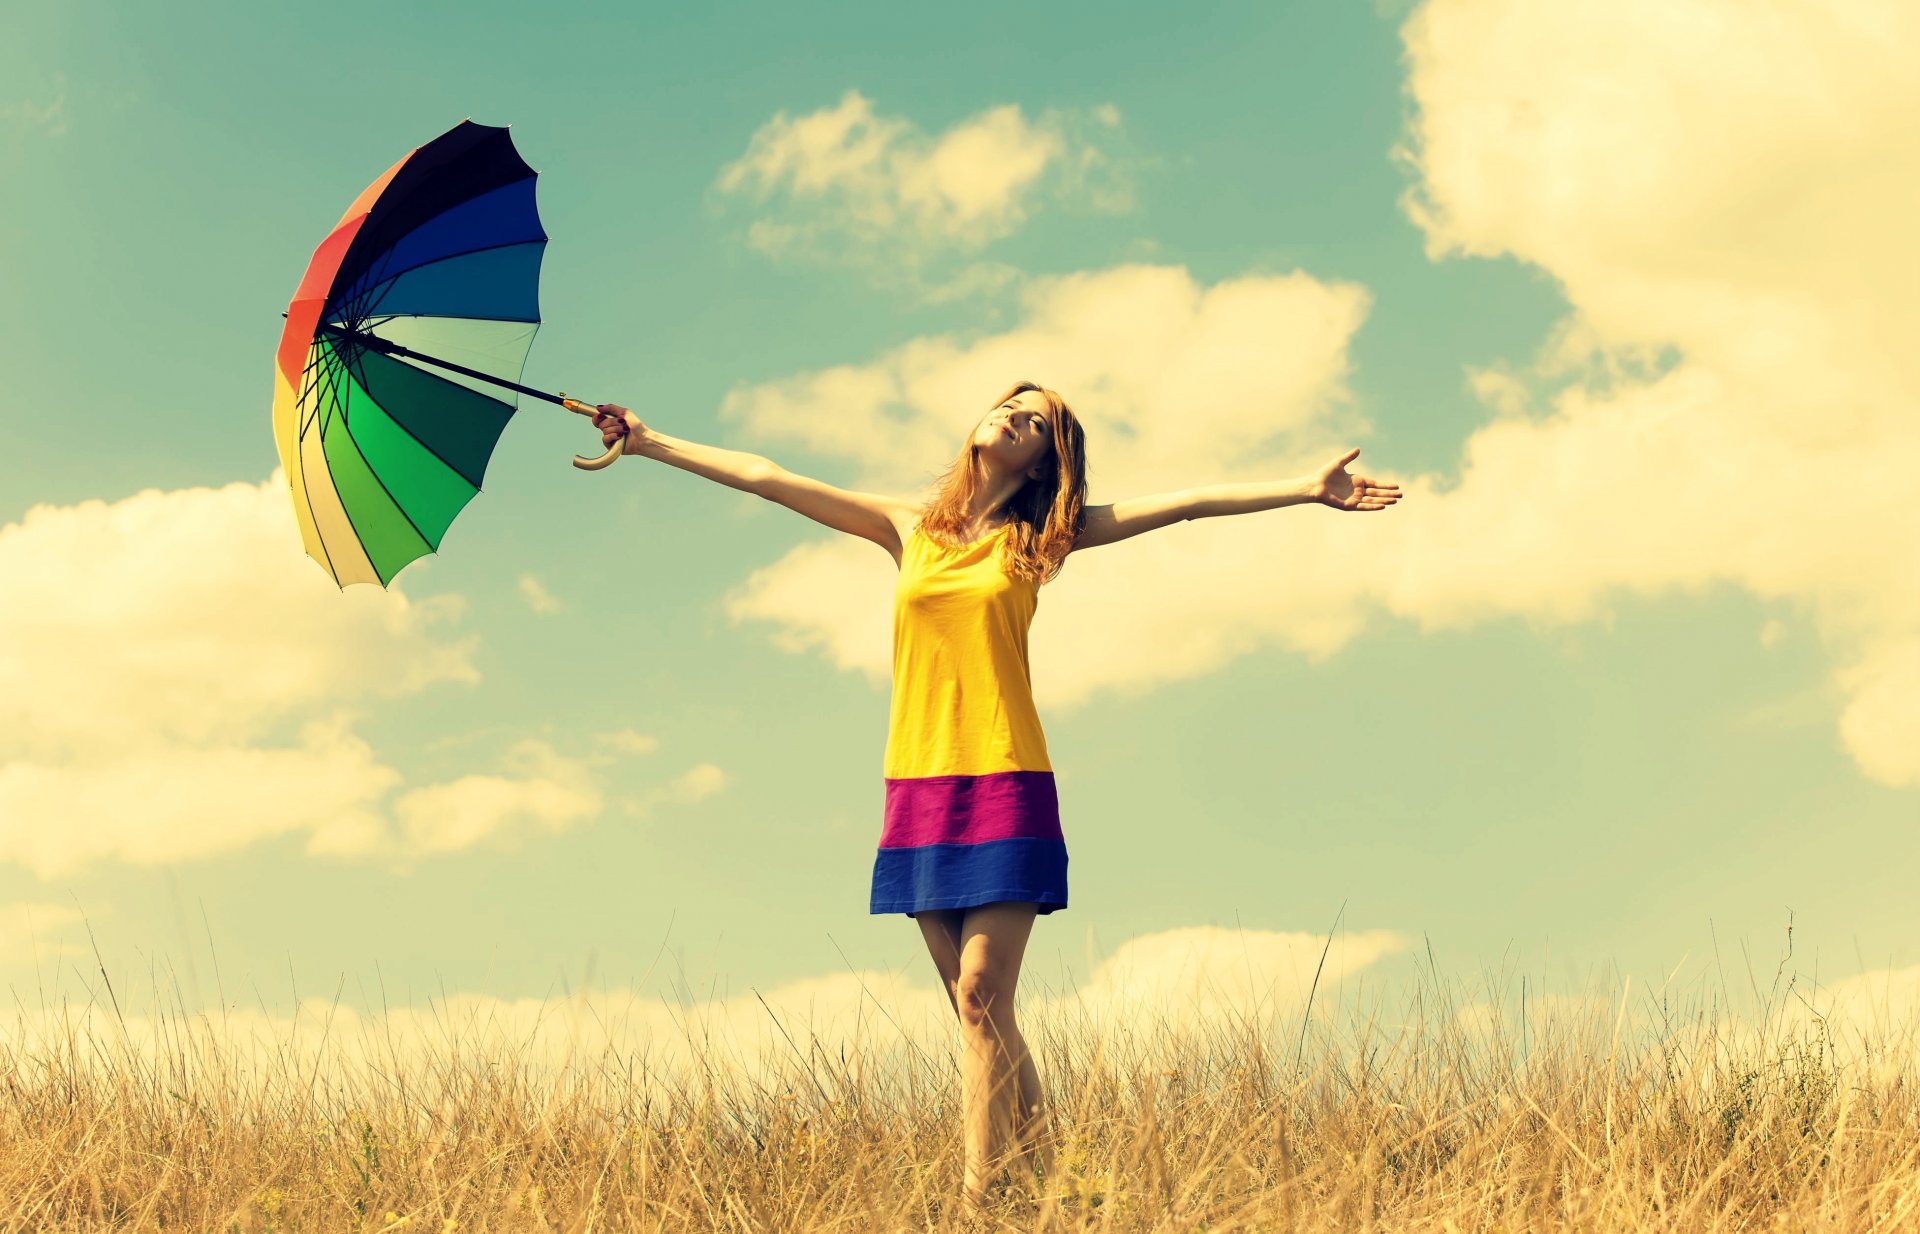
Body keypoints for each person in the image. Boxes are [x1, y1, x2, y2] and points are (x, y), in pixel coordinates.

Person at [590, 384, 1402, 1207]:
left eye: (1035, 421)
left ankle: (980, 1202)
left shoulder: (1045, 538)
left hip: (1008, 779)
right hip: (918, 785)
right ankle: (1058, 1189)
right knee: (980, 1014)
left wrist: (1303, 488)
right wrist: (653, 442)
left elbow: (1185, 504)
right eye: (1009, 404)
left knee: (981, 993)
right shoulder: (909, 529)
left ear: (1047, 459)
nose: (1012, 416)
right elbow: (768, 475)